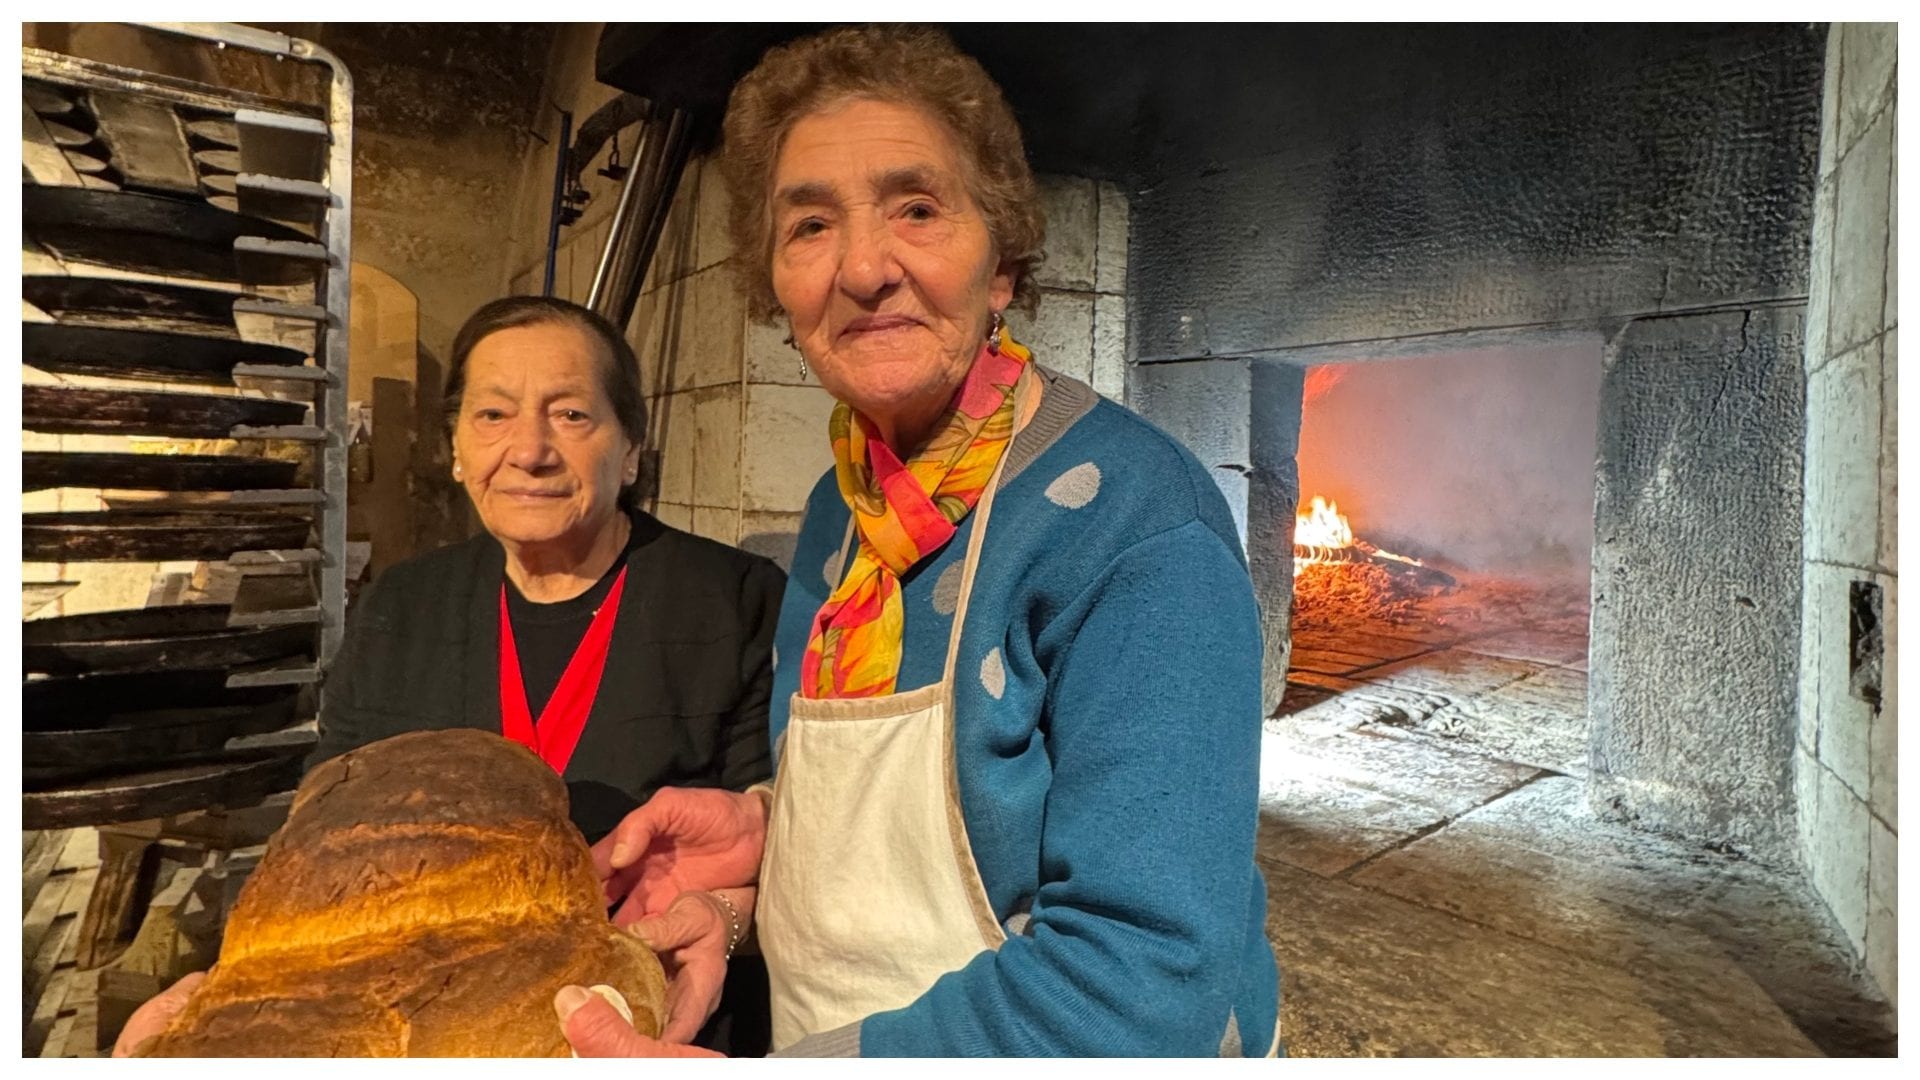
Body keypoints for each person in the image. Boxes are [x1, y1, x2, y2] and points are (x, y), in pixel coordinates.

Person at [564, 25, 1280, 1058]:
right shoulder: (835, 513)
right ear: (776, 286)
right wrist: (755, 870)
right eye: (809, 225)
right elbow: (914, 850)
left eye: (917, 207)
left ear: (1002, 265)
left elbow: (1140, 987)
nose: (863, 267)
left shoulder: (1133, 523)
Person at [114, 296, 782, 1057]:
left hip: (656, 1020)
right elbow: (325, 828)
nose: (529, 450)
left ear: (630, 448)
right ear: (457, 449)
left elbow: (778, 852)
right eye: (492, 416)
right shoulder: (405, 603)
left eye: (570, 415)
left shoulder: (735, 598)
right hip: (432, 1029)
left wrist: (726, 923)